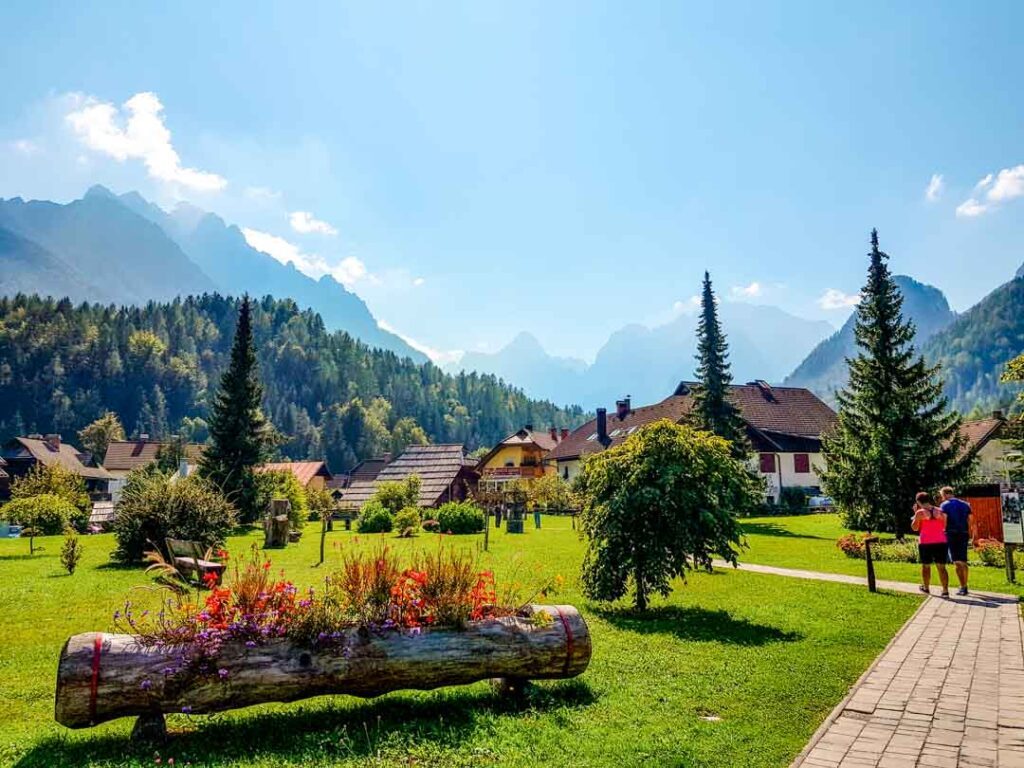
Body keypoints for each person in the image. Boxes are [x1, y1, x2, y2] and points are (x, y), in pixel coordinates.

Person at [912, 491, 949, 597]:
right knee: (941, 567)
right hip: (941, 541)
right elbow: (944, 526)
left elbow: (914, 528)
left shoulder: (920, 513)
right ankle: (945, 590)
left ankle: (926, 588)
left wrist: (915, 514)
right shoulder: (940, 511)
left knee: (926, 566)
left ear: (918, 502)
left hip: (926, 542)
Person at [940, 486, 972, 596]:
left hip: (951, 534)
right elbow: (971, 520)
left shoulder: (944, 505)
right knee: (963, 560)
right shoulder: (965, 504)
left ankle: (963, 587)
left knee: (957, 562)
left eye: (942, 496)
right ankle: (965, 585)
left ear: (945, 494)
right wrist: (974, 535)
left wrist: (942, 532)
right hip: (964, 533)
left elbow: (944, 520)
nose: (942, 498)